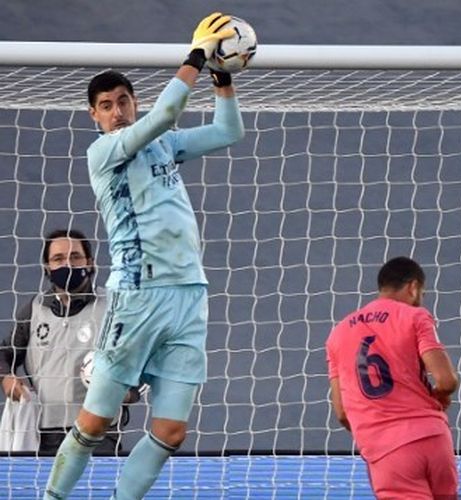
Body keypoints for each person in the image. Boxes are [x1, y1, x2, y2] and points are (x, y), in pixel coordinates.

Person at [43, 12, 245, 500]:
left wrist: (222, 76)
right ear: (94, 115)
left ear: (134, 102)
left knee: (172, 432)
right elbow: (167, 115)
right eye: (106, 105)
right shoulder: (104, 154)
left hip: (189, 297)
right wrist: (195, 55)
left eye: (123, 101)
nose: (117, 111)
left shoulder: (164, 147)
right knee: (93, 423)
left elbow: (227, 131)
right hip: (139, 295)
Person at [326, 256, 460, 499]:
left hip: (387, 449)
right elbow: (447, 380)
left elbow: (342, 412)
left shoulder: (337, 334)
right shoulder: (415, 317)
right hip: (434, 437)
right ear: (413, 287)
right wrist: (438, 397)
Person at [0, 229, 128, 455]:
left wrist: (127, 393)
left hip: (98, 433)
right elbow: (4, 353)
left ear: (89, 262)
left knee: (94, 491)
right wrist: (6, 378)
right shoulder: (34, 309)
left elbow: (144, 362)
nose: (67, 264)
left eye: (75, 257)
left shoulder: (113, 308)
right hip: (43, 435)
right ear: (47, 267)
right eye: (58, 259)